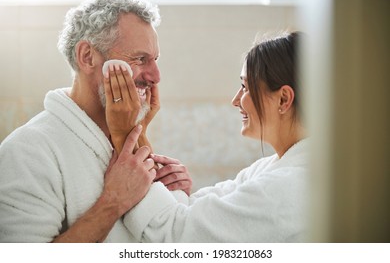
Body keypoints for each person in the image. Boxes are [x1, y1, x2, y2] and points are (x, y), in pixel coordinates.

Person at [0, 0, 191, 243]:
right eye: (140, 59)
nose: (156, 76)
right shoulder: (27, 151)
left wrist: (176, 198)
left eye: (155, 60)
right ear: (88, 57)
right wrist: (112, 202)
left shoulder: (124, 137)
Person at [107, 31, 309, 242]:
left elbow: (175, 238)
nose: (235, 100)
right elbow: (189, 214)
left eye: (245, 87)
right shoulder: (269, 169)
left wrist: (124, 134)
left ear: (284, 99)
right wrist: (139, 133)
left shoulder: (290, 186)